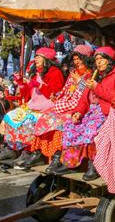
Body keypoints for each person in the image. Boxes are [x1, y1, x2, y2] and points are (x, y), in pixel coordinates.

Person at [60, 46, 115, 180]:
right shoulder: (89, 74)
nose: (99, 62)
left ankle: (94, 164)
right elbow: (83, 97)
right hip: (89, 110)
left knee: (91, 130)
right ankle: (71, 162)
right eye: (97, 59)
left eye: (102, 59)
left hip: (107, 111)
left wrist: (94, 86)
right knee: (70, 127)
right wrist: (78, 112)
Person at [33, 44, 94, 174]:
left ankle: (59, 158)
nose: (77, 62)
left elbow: (87, 93)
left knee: (61, 125)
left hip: (80, 107)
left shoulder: (90, 74)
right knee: (44, 118)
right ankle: (40, 153)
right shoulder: (73, 74)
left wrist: (79, 82)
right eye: (75, 59)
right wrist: (58, 97)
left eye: (79, 59)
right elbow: (65, 90)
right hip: (67, 105)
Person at [6, 47, 65, 167]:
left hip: (48, 106)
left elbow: (56, 93)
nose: (35, 58)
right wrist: (21, 83)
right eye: (36, 56)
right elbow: (27, 94)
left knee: (30, 121)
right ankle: (12, 148)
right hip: (34, 105)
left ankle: (31, 152)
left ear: (46, 59)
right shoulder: (35, 74)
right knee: (11, 116)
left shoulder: (55, 72)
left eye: (39, 56)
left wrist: (40, 85)